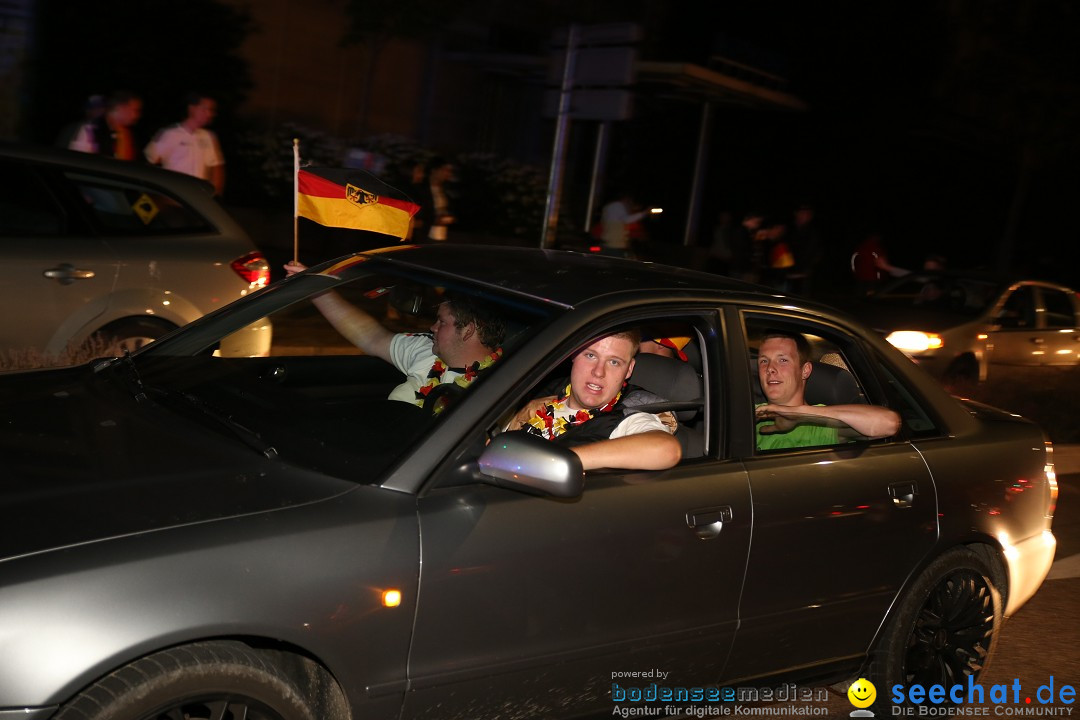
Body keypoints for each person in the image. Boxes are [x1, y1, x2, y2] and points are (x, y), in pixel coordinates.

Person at [283, 261, 505, 413]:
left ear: (468, 330)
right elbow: (370, 336)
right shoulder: (426, 350)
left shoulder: (501, 384)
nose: (432, 327)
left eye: (442, 322)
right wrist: (316, 289)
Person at [506, 329, 682, 471]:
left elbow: (666, 449)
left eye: (614, 362)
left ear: (629, 370)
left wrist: (556, 462)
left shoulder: (627, 416)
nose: (598, 372)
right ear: (573, 354)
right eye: (591, 356)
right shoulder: (539, 392)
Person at [755, 331, 900, 451]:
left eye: (783, 360)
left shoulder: (819, 424)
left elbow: (889, 423)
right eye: (764, 361)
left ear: (805, 371)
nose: (770, 369)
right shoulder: (750, 415)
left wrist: (798, 414)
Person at [145, 93, 226, 196]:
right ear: (191, 109)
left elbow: (216, 168)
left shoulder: (209, 137)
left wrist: (215, 194)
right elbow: (150, 162)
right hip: (174, 196)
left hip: (198, 198)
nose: (209, 114)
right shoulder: (169, 134)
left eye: (211, 110)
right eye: (205, 109)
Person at [68, 90, 143, 160]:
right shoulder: (91, 129)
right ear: (120, 107)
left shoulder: (127, 134)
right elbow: (79, 160)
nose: (136, 116)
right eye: (135, 110)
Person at [414, 157, 456, 242]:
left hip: (442, 235)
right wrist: (433, 220)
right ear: (434, 170)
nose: (448, 174)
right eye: (445, 170)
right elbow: (418, 214)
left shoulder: (445, 190)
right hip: (425, 236)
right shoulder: (421, 190)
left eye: (449, 171)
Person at [599, 192, 647, 258]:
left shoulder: (609, 207)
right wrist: (645, 213)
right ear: (626, 199)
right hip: (615, 246)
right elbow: (627, 219)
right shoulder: (617, 205)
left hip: (610, 244)